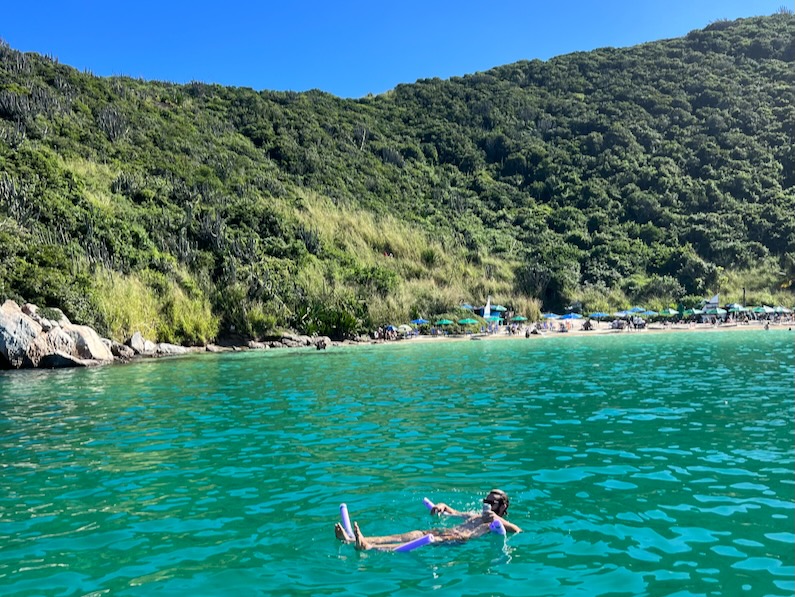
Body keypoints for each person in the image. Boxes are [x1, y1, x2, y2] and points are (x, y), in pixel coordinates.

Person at [335, 489, 522, 551]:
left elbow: (517, 530)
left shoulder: (495, 524)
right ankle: (352, 539)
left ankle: (370, 547)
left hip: (455, 540)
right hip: (442, 532)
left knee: (415, 542)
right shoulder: (476, 515)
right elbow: (453, 512)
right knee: (408, 535)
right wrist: (442, 506)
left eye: (491, 502)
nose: (486, 505)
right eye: (485, 501)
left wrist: (498, 519)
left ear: (502, 507)